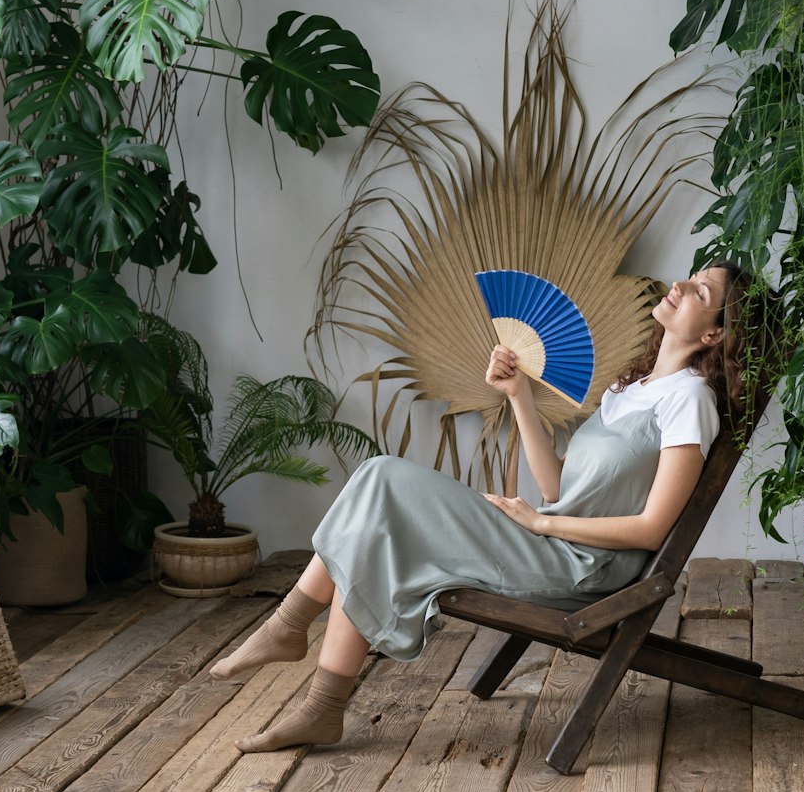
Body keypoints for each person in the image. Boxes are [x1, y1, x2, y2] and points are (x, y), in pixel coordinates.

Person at [206, 261, 756, 753]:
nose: (680, 285)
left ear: (713, 333)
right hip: (554, 543)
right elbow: (559, 487)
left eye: (701, 291)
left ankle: (291, 631)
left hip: (584, 568)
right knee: (379, 509)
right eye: (690, 277)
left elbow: (652, 528)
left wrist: (541, 523)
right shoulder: (629, 390)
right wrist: (519, 395)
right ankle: (319, 706)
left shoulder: (689, 401)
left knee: (380, 479)